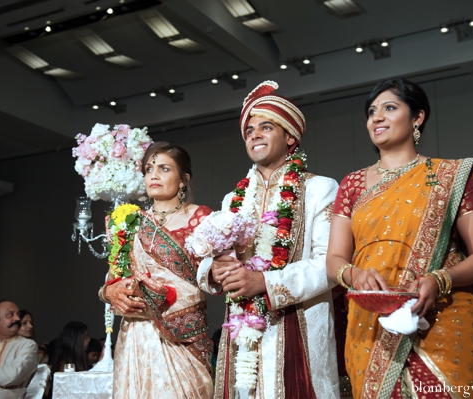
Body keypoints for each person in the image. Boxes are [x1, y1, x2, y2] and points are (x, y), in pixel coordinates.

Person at [326, 78, 473, 398]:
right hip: (371, 324)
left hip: (443, 318)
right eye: (371, 112)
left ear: (417, 117)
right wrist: (355, 274)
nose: (376, 117)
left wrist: (439, 280)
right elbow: (334, 260)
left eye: (389, 108)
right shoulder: (351, 185)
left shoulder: (451, 175)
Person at [198, 80, 340, 398]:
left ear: (290, 136)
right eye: (249, 131)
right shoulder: (233, 198)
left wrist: (262, 282)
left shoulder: (320, 189)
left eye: (266, 127)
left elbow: (329, 264)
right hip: (242, 328)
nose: (255, 135)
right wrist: (215, 271)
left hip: (298, 324)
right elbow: (212, 257)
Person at [101, 142, 214, 399]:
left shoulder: (203, 219)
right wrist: (108, 293)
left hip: (183, 338)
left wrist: (158, 296)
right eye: (149, 169)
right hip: (136, 339)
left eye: (164, 168)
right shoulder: (126, 221)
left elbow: (214, 279)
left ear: (183, 179)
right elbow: (112, 279)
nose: (153, 175)